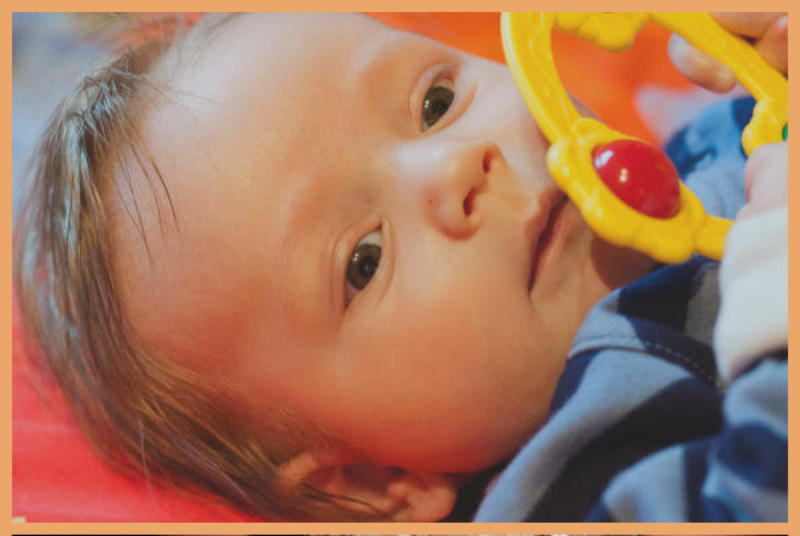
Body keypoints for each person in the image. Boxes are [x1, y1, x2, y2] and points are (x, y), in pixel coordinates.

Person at [12, 12, 787, 521]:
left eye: (434, 104)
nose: (456, 167)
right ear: (374, 481)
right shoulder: (572, 482)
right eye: (364, 260)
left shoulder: (709, 140)